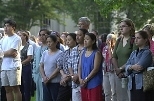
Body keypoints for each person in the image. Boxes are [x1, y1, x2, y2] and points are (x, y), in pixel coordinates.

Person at [112, 18, 137, 101]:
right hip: (118, 75)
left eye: (123, 26)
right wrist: (117, 70)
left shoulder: (134, 40)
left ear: (130, 27)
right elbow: (114, 56)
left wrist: (121, 69)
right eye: (120, 27)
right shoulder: (119, 40)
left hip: (129, 74)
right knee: (120, 97)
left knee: (129, 97)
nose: (121, 28)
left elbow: (133, 58)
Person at [125, 30, 154, 101]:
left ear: (145, 40)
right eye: (135, 38)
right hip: (133, 84)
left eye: (138, 38)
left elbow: (139, 68)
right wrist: (131, 67)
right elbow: (126, 66)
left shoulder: (147, 53)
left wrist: (130, 68)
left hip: (143, 85)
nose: (136, 40)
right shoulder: (134, 53)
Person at [0, 19, 22, 101]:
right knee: (7, 89)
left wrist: (3, 54)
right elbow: (7, 53)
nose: (5, 28)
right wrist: (6, 53)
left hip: (13, 66)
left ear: (13, 27)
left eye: (8, 26)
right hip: (4, 66)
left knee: (15, 88)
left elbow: (12, 52)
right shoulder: (3, 39)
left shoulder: (17, 38)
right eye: (5, 26)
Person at [78, 33, 103, 101]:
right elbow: (79, 67)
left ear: (93, 41)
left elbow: (95, 69)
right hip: (83, 83)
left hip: (94, 83)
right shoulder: (82, 52)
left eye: (87, 39)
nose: (85, 41)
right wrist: (80, 79)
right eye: (84, 39)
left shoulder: (96, 53)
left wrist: (86, 79)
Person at [68, 28, 88, 101]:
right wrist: (72, 75)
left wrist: (78, 75)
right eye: (76, 35)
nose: (77, 37)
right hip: (75, 83)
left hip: (84, 82)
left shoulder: (87, 50)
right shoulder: (73, 49)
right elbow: (69, 64)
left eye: (80, 35)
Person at [40, 34, 62, 101]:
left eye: (50, 42)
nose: (48, 44)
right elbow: (41, 66)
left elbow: (58, 68)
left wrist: (49, 78)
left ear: (55, 42)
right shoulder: (45, 53)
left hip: (55, 82)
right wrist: (44, 77)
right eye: (47, 42)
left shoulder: (60, 53)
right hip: (45, 81)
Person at [57, 33, 77, 101]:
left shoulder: (79, 52)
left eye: (69, 40)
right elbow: (59, 66)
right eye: (66, 40)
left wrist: (68, 77)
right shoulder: (64, 53)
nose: (67, 41)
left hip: (75, 81)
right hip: (64, 82)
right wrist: (63, 75)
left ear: (75, 40)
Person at [32, 29, 50, 101]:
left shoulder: (50, 48)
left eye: (44, 35)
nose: (41, 36)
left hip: (47, 75)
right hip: (37, 75)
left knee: (45, 95)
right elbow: (35, 61)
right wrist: (34, 74)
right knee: (39, 94)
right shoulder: (38, 48)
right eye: (40, 35)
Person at [18, 31, 33, 101]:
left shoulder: (29, 46)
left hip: (26, 68)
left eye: (20, 35)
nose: (19, 37)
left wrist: (20, 63)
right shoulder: (17, 46)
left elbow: (29, 58)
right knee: (20, 87)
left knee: (26, 86)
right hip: (18, 69)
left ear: (25, 37)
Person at [102, 34, 117, 101]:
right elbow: (104, 59)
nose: (108, 41)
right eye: (107, 39)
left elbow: (111, 58)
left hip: (113, 71)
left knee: (114, 92)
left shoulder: (115, 48)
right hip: (105, 72)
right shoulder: (104, 48)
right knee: (106, 92)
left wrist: (110, 47)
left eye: (110, 39)